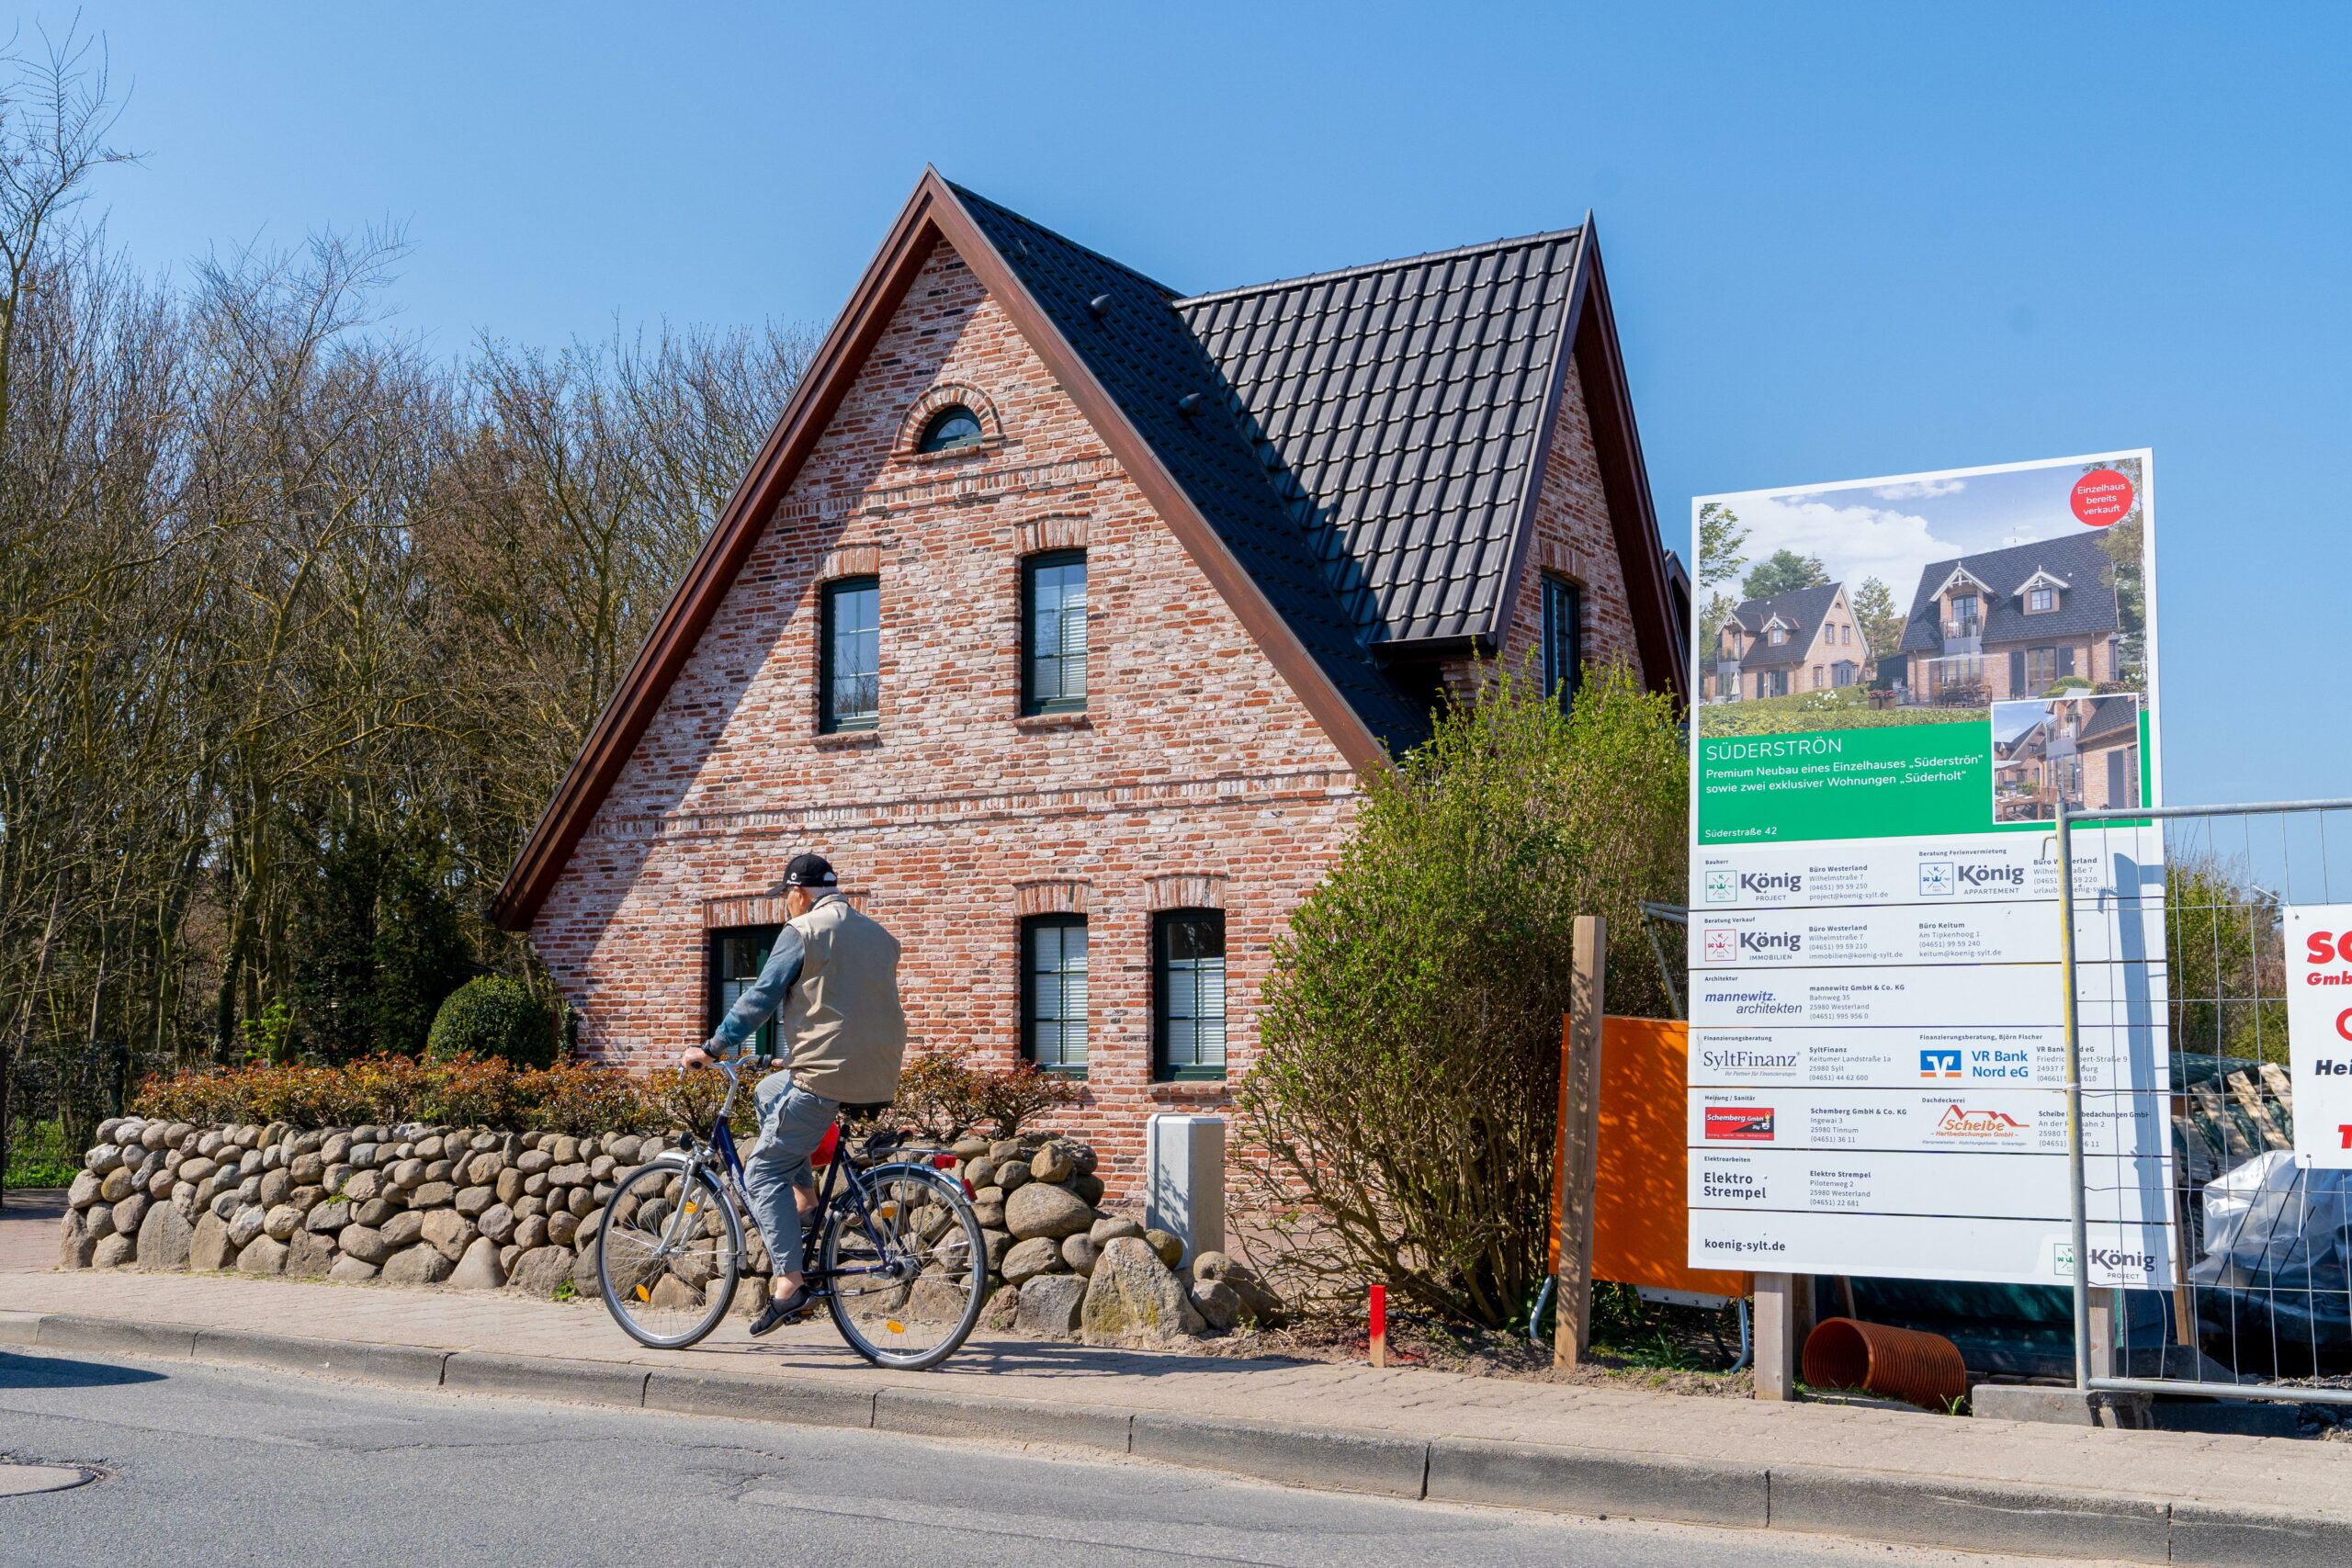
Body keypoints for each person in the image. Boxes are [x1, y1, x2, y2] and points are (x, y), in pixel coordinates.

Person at [679, 853, 906, 1336]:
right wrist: (797, 1055)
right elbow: (852, 1005)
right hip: (879, 1074)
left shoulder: (802, 931)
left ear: (799, 893)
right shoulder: (879, 935)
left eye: (786, 895)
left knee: (761, 1173)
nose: (786, 904)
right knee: (768, 1090)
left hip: (825, 1076)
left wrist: (712, 1048)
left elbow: (760, 997)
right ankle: (805, 1200)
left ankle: (789, 1285)